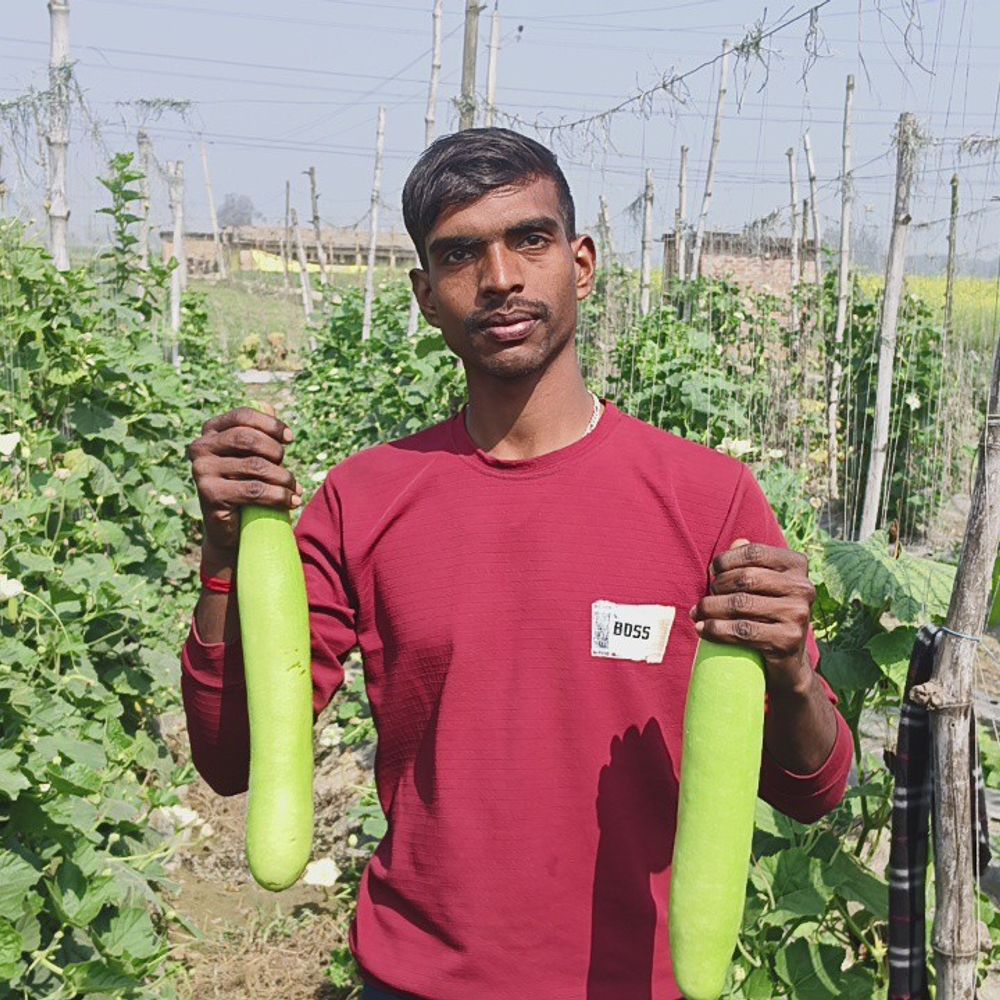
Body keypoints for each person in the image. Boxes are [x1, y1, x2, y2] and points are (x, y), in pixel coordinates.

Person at [182, 128, 853, 1000]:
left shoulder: (707, 499)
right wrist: (228, 559)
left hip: (635, 983)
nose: (499, 278)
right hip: (418, 979)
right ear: (425, 295)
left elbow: (815, 789)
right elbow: (235, 760)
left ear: (580, 263)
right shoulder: (364, 499)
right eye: (460, 254)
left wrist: (794, 672)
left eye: (528, 240)